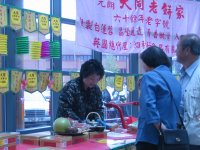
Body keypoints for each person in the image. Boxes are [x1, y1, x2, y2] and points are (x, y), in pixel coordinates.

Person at [136, 46, 181, 150]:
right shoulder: (174, 79)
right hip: (171, 137)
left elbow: (148, 105)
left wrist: (160, 127)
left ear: (148, 62)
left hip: (151, 137)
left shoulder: (149, 77)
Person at [176, 33, 200, 150]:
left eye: (178, 48)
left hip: (197, 140)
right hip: (183, 138)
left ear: (187, 50)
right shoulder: (183, 74)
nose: (175, 51)